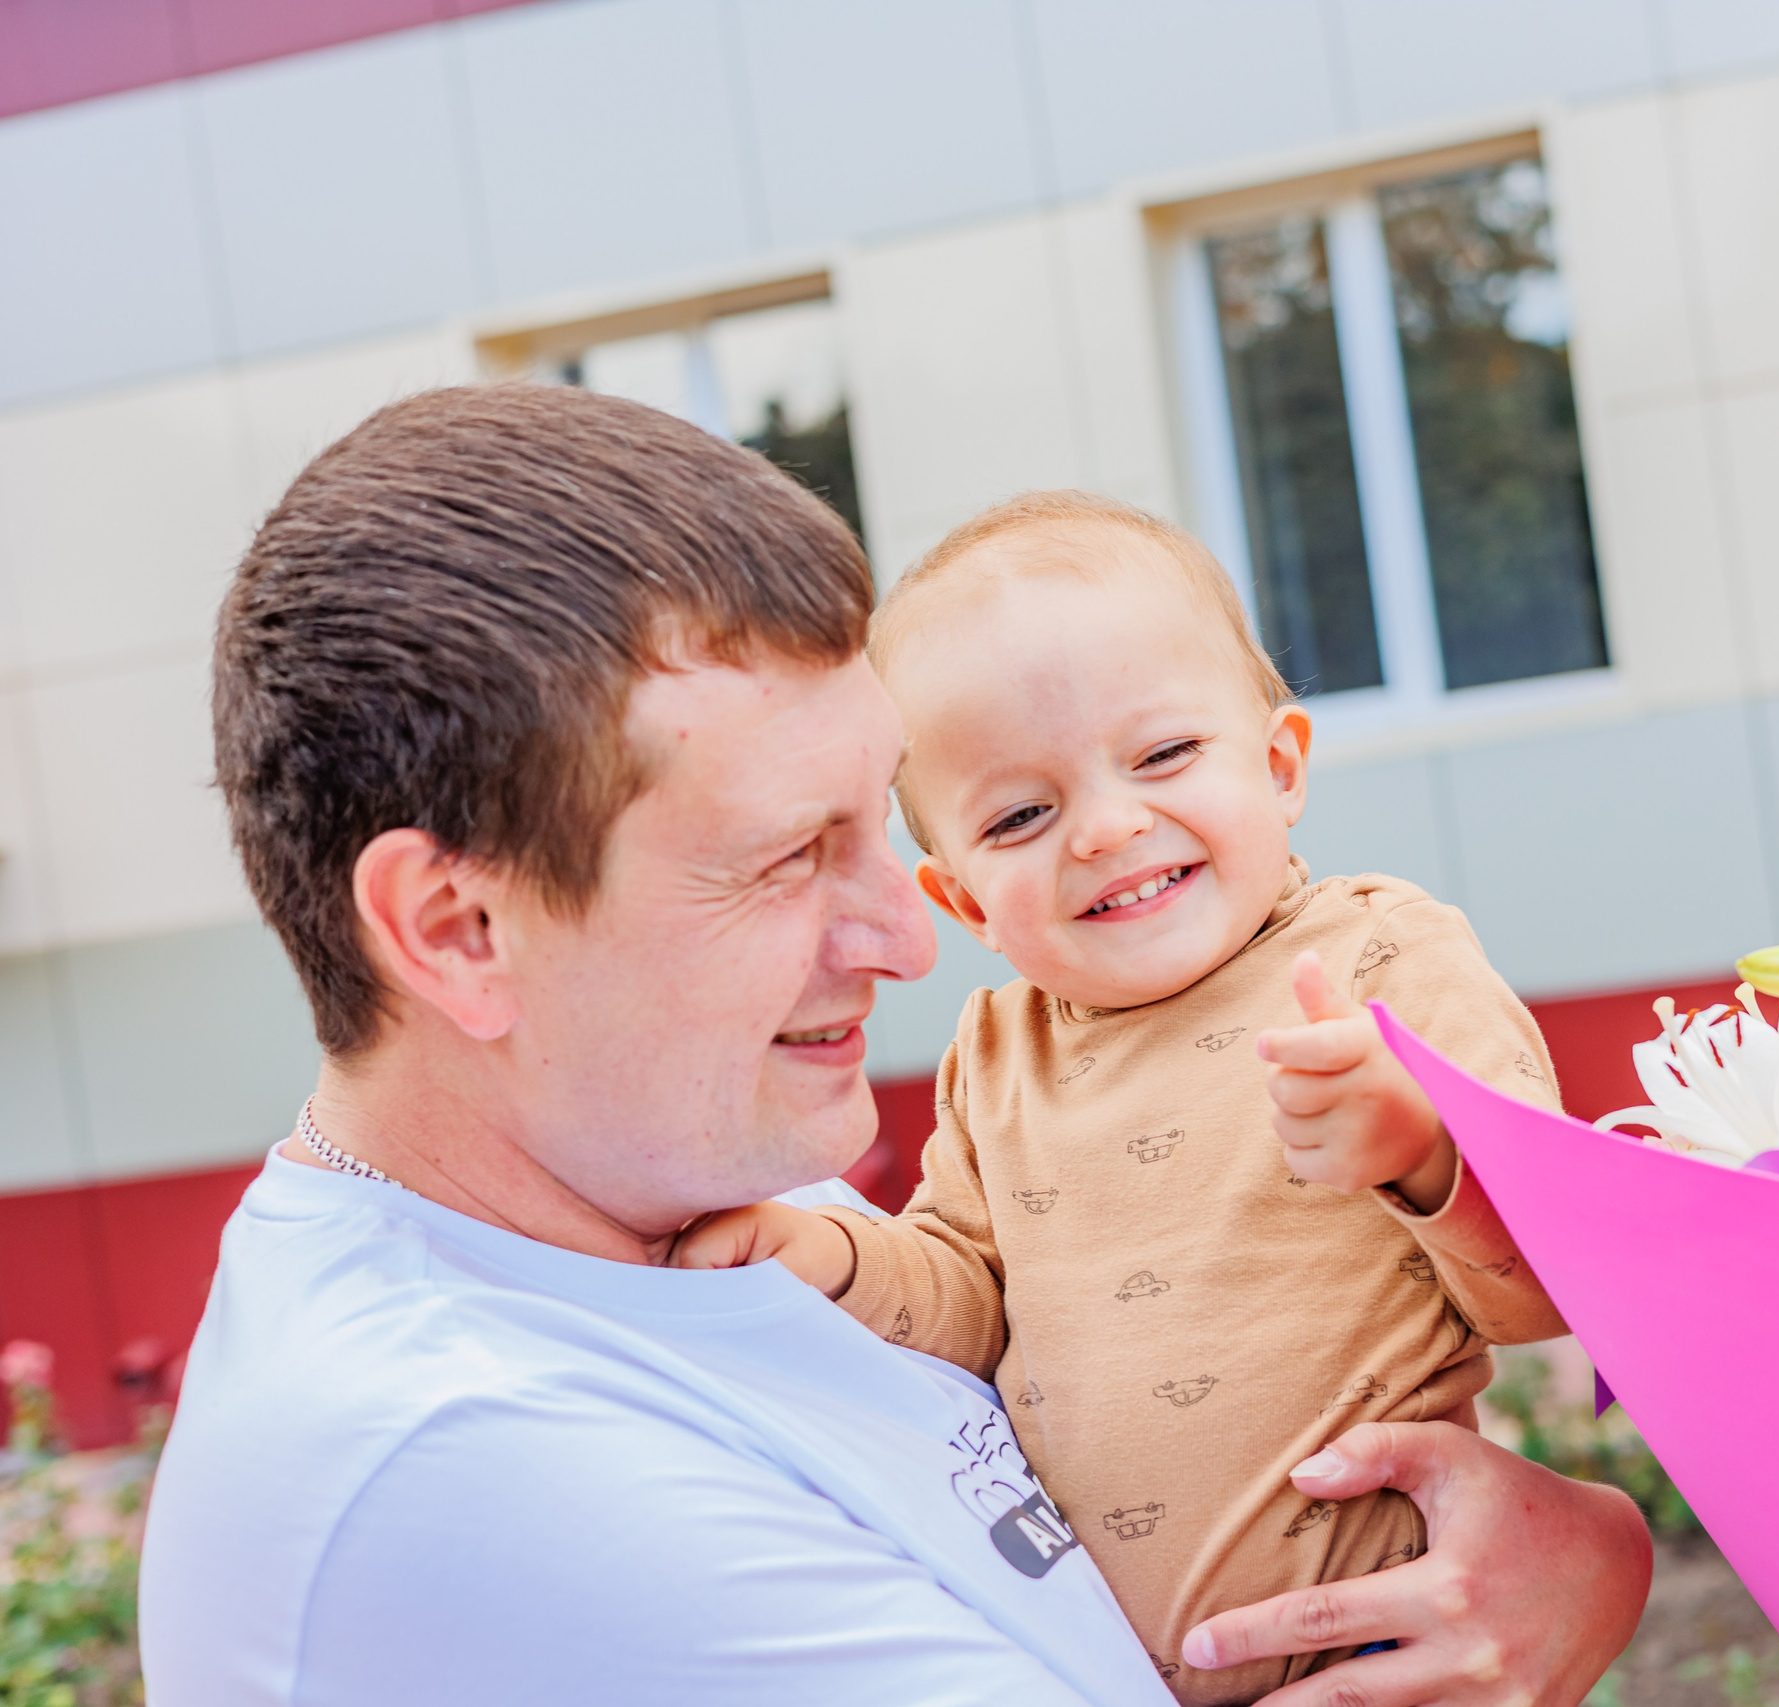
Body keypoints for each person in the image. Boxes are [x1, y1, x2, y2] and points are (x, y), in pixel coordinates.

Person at [136, 384, 1652, 1706]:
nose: (913, 940)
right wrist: (1581, 1576)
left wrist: (1577, 1545)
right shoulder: (478, 1465)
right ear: (461, 930)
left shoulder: (683, 1187)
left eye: (878, 819)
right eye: (792, 853)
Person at [673, 490, 1575, 1703]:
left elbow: (1552, 1293)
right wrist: (827, 1254)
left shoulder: (1380, 965)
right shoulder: (998, 1052)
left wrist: (1419, 1146)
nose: (1103, 827)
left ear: (1279, 764)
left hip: (1391, 1644)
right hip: (1091, 1665)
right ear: (964, 902)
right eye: (1021, 813)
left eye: (1161, 755)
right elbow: (968, 1310)